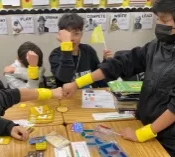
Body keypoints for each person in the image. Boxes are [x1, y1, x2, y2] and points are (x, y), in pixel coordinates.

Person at [62, 0, 175, 156]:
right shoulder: (156, 46)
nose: (158, 23)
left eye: (164, 20)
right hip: (144, 124)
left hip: (166, 138)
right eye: (158, 18)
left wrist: (142, 134)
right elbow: (120, 64)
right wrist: (77, 83)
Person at [49, 13, 112, 88]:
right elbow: (64, 78)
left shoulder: (88, 50)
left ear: (81, 35)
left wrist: (106, 62)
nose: (71, 38)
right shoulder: (56, 54)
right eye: (68, 35)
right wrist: (66, 47)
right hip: (67, 97)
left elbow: (99, 79)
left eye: (76, 33)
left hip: (89, 94)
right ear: (60, 35)